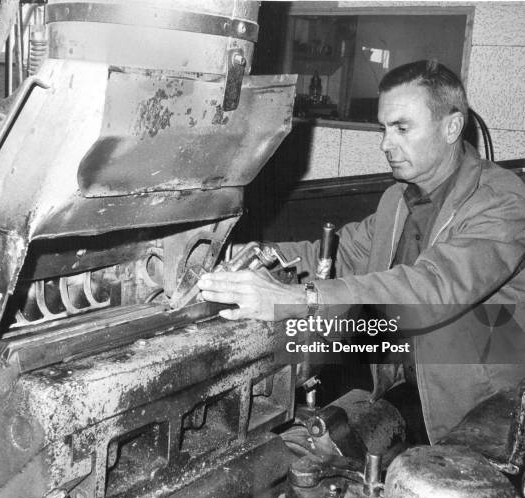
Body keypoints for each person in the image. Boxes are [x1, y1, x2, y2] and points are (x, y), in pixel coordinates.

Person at [198, 60, 525, 444]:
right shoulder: (397, 200)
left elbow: (434, 286)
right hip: (401, 387)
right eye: (384, 129)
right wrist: (221, 253)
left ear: (451, 126)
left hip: (482, 406)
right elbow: (332, 254)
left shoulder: (502, 199)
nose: (386, 144)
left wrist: (299, 300)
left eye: (402, 128)